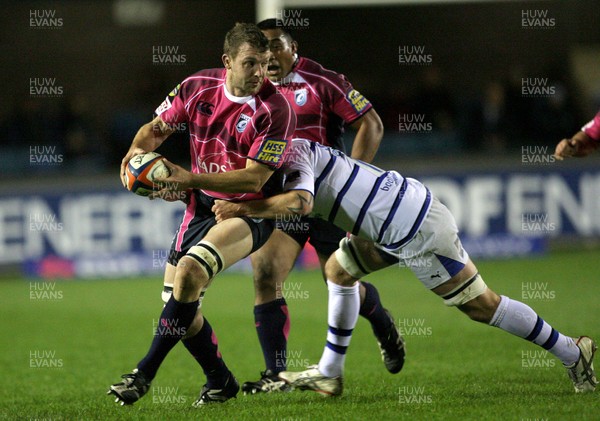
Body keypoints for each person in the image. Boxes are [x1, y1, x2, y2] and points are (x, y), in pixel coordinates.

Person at [213, 138, 597, 396]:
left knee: (481, 305)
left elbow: (300, 203)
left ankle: (571, 350)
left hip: (414, 228)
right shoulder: (285, 149)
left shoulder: (289, 156)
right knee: (339, 271)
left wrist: (241, 207)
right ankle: (330, 371)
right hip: (394, 218)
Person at [107, 23, 296, 407]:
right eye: (250, 63)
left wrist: (189, 178)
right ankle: (220, 381)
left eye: (264, 63)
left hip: (250, 208)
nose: (259, 72)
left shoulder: (276, 108)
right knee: (179, 303)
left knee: (191, 272)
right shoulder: (197, 87)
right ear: (227, 61)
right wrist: (134, 156)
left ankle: (142, 373)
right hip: (201, 207)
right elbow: (155, 130)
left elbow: (255, 175)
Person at [239, 18, 401, 395]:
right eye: (263, 49)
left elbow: (371, 124)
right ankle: (275, 375)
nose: (271, 54)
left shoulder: (323, 80)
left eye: (278, 45)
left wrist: (355, 181)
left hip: (327, 200)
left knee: (338, 280)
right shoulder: (253, 89)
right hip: (284, 199)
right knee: (265, 274)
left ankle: (380, 320)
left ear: (294, 47)